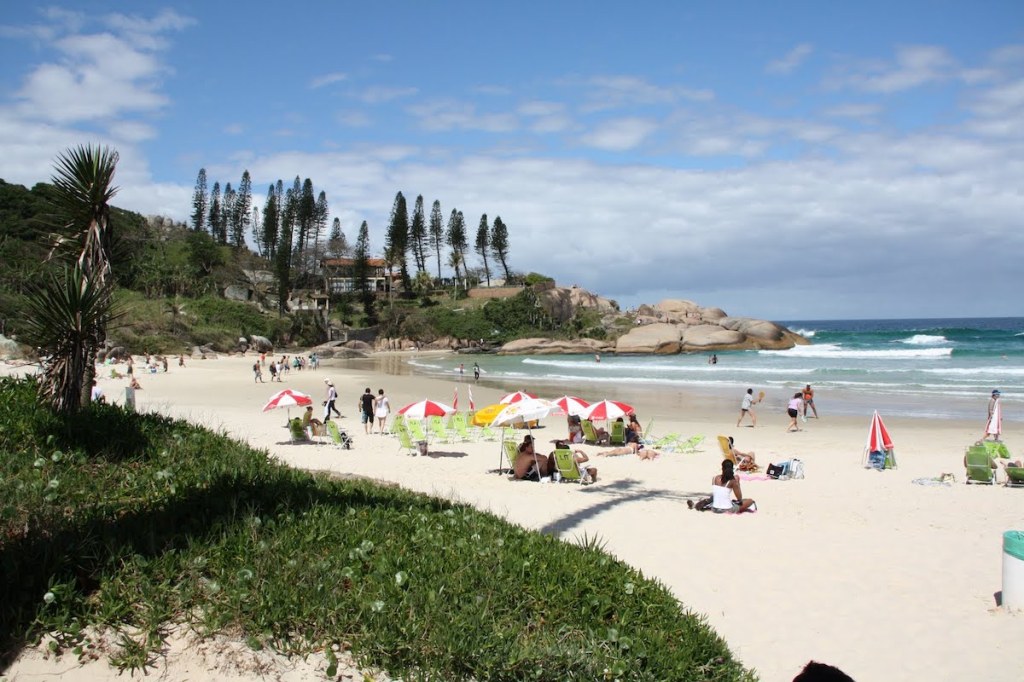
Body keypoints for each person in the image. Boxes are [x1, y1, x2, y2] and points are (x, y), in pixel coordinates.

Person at [689, 459, 756, 513]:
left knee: (714, 498)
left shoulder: (714, 478)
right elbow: (739, 499)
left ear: (722, 468)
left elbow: (719, 492)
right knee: (750, 501)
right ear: (732, 469)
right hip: (727, 509)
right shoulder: (732, 481)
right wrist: (737, 482)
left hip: (714, 508)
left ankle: (696, 505)